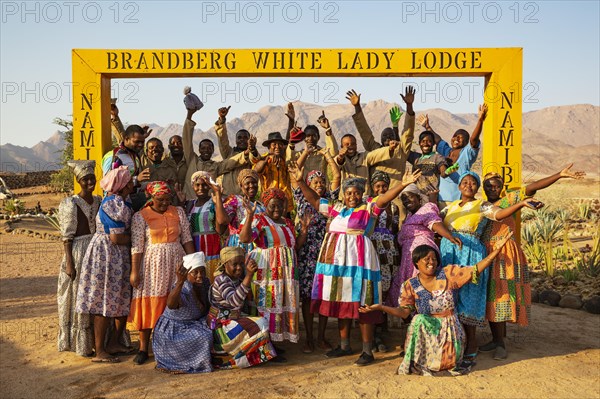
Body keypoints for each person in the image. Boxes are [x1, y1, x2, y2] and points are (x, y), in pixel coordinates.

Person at [295, 167, 422, 366]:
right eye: (348, 193)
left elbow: (385, 198)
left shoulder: (369, 207)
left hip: (359, 262)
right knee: (342, 302)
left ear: (361, 194)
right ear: (343, 196)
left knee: (364, 303)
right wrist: (301, 182)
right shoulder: (337, 209)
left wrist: (403, 184)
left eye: (356, 192)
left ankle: (366, 351)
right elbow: (316, 201)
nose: (352, 196)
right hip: (337, 264)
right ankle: (344, 345)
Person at [359, 233, 513, 376]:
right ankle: (422, 357)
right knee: (417, 319)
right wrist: (380, 307)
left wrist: (496, 251)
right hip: (427, 331)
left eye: (433, 259)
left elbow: (475, 270)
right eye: (426, 259)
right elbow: (404, 312)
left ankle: (445, 356)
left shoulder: (447, 274)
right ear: (416, 263)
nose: (431, 262)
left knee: (445, 363)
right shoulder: (410, 285)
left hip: (450, 330)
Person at [479, 164, 585, 360]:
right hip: (486, 254)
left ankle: (501, 343)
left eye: (496, 186)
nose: (492, 189)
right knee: (491, 298)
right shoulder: (481, 205)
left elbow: (533, 186)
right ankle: (496, 338)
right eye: (488, 186)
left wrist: (559, 175)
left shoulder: (510, 199)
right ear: (483, 187)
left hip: (505, 254)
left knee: (502, 296)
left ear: (501, 187)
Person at [440, 171, 543, 364]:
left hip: (486, 254)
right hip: (456, 255)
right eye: (465, 182)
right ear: (459, 186)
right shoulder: (450, 207)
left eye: (473, 182)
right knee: (456, 297)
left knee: (489, 296)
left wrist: (520, 204)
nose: (469, 185)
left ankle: (493, 343)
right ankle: (464, 340)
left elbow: (501, 212)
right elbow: (433, 220)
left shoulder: (488, 204)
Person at [128, 181, 196, 365]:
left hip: (177, 263)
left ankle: (170, 345)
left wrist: (194, 263)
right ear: (151, 198)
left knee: (174, 301)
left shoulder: (178, 212)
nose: (165, 203)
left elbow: (187, 239)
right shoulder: (140, 217)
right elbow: (137, 246)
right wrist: (135, 271)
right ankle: (143, 348)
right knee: (151, 301)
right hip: (152, 266)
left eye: (168, 199)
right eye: (160, 200)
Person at [76, 166, 134, 363]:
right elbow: (116, 238)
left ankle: (114, 343)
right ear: (123, 185)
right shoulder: (113, 204)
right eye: (130, 181)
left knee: (119, 297)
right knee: (104, 300)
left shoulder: (120, 201)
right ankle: (100, 349)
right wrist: (135, 239)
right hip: (107, 254)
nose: (133, 183)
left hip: (116, 255)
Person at [288, 148, 341, 354]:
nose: (319, 185)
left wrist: (327, 156)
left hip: (325, 251)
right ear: (308, 185)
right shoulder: (301, 198)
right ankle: (309, 338)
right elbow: (296, 174)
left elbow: (336, 175)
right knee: (308, 298)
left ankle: (321, 337)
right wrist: (306, 152)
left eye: (322, 182)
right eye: (315, 182)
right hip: (306, 251)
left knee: (324, 296)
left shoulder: (330, 201)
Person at [239, 188, 304, 343]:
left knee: (282, 302)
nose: (277, 209)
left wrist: (305, 231)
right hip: (267, 268)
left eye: (280, 205)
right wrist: (249, 216)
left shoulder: (287, 222)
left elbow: (293, 247)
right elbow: (245, 238)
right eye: (272, 205)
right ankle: (264, 342)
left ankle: (276, 340)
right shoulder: (259, 219)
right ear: (266, 205)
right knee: (267, 302)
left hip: (286, 271)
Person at [387, 184, 461, 307]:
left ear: (418, 197)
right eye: (404, 199)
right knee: (407, 290)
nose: (407, 201)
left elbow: (434, 223)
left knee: (422, 286)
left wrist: (449, 236)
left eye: (410, 197)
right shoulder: (410, 216)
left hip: (422, 254)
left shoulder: (426, 209)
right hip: (409, 259)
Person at [57, 160, 100, 357]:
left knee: (95, 294)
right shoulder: (70, 204)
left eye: (92, 178)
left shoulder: (99, 201)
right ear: (78, 181)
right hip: (79, 251)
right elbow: (67, 237)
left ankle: (99, 341)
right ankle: (81, 344)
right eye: (85, 179)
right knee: (79, 295)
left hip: (97, 251)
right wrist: (69, 263)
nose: (90, 182)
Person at [209, 247, 279, 368]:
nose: (239, 267)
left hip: (231, 320)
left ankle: (267, 349)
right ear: (225, 264)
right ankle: (259, 355)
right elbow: (235, 302)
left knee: (259, 317)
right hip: (221, 327)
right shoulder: (221, 280)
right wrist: (250, 275)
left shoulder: (235, 278)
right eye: (234, 264)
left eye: (241, 263)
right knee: (261, 323)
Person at [347, 86, 416, 206]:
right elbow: (365, 132)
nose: (388, 140)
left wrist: (409, 107)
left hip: (396, 199)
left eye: (390, 137)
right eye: (385, 138)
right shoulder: (375, 150)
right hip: (375, 201)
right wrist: (357, 107)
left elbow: (408, 132)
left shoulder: (401, 150)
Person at [152, 252, 213, 374]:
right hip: (173, 331)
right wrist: (180, 282)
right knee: (204, 337)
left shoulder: (205, 283)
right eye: (195, 272)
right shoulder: (182, 287)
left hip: (194, 324)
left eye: (202, 271)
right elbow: (171, 304)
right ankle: (184, 365)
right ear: (186, 275)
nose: (199, 276)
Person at [418, 104, 488, 206]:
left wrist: (480, 120)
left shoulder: (467, 154)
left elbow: (474, 139)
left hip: (456, 200)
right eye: (454, 136)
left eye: (460, 137)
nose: (456, 139)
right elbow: (438, 140)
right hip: (439, 199)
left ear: (466, 141)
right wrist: (427, 127)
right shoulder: (447, 152)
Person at [182, 107, 255, 199]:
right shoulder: (192, 159)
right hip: (190, 202)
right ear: (199, 149)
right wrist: (189, 115)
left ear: (213, 150)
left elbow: (230, 162)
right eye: (203, 148)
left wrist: (247, 152)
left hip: (209, 205)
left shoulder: (215, 166)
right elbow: (186, 140)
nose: (206, 150)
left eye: (209, 148)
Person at [367, 170, 400, 352]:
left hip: (388, 251)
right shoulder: (368, 203)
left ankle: (381, 329)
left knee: (385, 289)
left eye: (384, 186)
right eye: (378, 186)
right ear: (373, 187)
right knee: (372, 288)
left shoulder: (393, 207)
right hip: (371, 247)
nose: (381, 189)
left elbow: (394, 228)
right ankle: (371, 334)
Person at [180, 171, 230, 281]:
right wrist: (181, 203)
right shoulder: (189, 204)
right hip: (195, 247)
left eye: (204, 185)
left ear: (209, 186)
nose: (201, 188)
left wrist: (217, 198)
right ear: (192, 186)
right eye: (197, 185)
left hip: (213, 247)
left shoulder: (214, 201)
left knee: (213, 278)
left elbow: (222, 224)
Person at [285, 103, 339, 183]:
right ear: (304, 138)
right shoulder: (298, 154)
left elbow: (333, 152)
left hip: (320, 189)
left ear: (318, 138)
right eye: (307, 136)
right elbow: (289, 160)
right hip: (304, 191)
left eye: (314, 136)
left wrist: (327, 129)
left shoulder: (323, 153)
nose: (310, 139)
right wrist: (292, 141)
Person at [334, 134, 399, 198]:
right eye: (347, 144)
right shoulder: (338, 158)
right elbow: (336, 165)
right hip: (346, 199)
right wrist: (340, 158)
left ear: (356, 145)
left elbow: (376, 154)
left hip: (364, 198)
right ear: (342, 146)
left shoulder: (364, 156)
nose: (350, 146)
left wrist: (389, 149)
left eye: (353, 144)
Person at [223, 168, 266, 252]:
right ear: (241, 186)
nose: (251, 186)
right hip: (239, 243)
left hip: (258, 246)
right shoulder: (235, 200)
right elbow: (223, 221)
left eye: (254, 183)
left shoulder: (261, 205)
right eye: (247, 183)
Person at [407, 130, 458, 203]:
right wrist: (395, 127)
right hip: (416, 199)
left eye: (429, 141)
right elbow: (402, 148)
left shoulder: (437, 157)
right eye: (423, 141)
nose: (425, 143)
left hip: (430, 198)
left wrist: (447, 171)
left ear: (433, 143)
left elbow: (443, 171)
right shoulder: (416, 158)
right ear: (419, 143)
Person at [251, 131, 295, 213]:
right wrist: (266, 160)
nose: (277, 147)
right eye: (274, 144)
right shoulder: (264, 159)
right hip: (268, 204)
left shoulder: (286, 159)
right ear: (269, 147)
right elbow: (256, 171)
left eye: (280, 144)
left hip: (285, 205)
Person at [214, 105, 253, 197]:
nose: (242, 140)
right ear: (235, 140)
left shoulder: (252, 155)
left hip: (245, 198)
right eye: (239, 138)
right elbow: (222, 140)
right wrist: (222, 120)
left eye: (245, 138)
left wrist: (251, 150)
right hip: (227, 197)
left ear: (249, 140)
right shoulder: (229, 153)